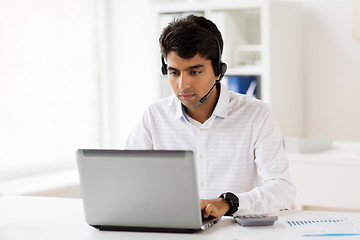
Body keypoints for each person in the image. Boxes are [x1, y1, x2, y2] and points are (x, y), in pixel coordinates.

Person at [126, 15, 296, 218]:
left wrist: (228, 203)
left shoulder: (256, 114)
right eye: (174, 73)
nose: (182, 85)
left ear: (218, 70)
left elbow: (282, 189)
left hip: (233, 231)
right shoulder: (154, 116)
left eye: (195, 72)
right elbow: (129, 181)